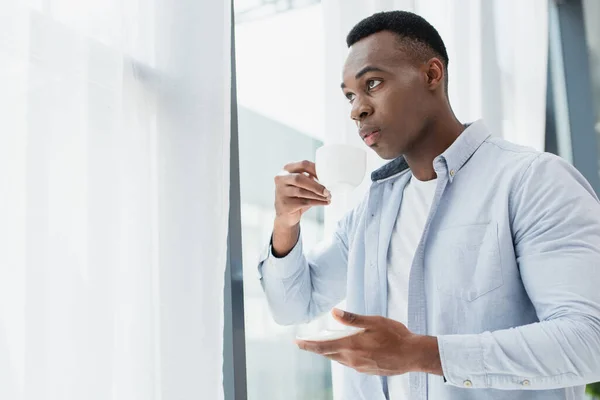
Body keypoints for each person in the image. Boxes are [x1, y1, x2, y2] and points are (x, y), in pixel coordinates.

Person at [256, 10, 600, 400]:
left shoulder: (533, 181)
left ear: (432, 75)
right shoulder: (372, 210)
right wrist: (286, 223)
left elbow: (588, 340)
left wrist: (419, 354)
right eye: (351, 95)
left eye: (373, 83)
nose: (357, 109)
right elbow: (293, 306)